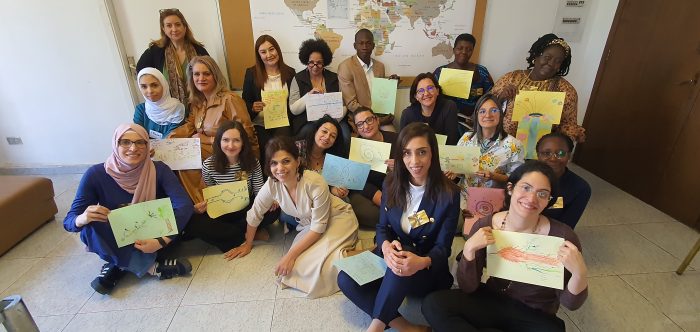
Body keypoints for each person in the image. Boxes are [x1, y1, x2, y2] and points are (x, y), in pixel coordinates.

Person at [422, 161, 589, 332]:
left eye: (542, 193)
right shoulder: (487, 225)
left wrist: (579, 273)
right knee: (434, 305)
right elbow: (468, 287)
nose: (531, 198)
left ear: (549, 200)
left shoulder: (562, 236)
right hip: (492, 300)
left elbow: (571, 303)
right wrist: (469, 250)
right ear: (510, 188)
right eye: (526, 188)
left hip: (535, 313)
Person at [338, 123, 460, 332]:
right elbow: (382, 226)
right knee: (345, 278)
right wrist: (385, 246)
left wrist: (422, 261)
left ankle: (375, 328)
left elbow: (443, 248)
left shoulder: (449, 194)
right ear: (401, 156)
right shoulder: (391, 183)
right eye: (407, 153)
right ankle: (406, 327)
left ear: (433, 153)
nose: (414, 161)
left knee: (404, 254)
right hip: (393, 256)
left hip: (425, 271)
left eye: (422, 152)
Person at [63, 124, 194, 295]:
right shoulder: (95, 174)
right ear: (115, 145)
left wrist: (161, 241)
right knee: (90, 226)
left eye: (140, 142)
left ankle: (117, 266)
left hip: (154, 237)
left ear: (148, 146)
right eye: (125, 142)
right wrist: (82, 218)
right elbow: (69, 221)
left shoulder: (159, 169)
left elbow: (183, 205)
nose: (133, 148)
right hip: (118, 237)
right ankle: (153, 268)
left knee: (181, 216)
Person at [224, 136, 359, 299]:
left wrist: (289, 256)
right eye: (274, 163)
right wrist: (248, 243)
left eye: (286, 161)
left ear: (298, 161)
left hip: (337, 218)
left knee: (316, 266)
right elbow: (255, 213)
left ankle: (363, 255)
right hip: (310, 226)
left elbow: (318, 228)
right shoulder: (272, 184)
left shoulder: (315, 182)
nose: (280, 168)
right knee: (295, 269)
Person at [168, 56, 258, 203]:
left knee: (187, 158)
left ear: (215, 75)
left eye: (206, 74)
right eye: (197, 74)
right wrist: (169, 140)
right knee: (176, 154)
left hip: (232, 153)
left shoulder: (230, 99)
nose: (201, 78)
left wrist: (208, 139)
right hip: (207, 152)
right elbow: (190, 125)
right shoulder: (198, 102)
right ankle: (199, 204)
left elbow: (246, 134)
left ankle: (204, 203)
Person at [183, 121, 280, 255]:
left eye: (236, 141)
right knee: (192, 222)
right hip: (223, 211)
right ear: (219, 142)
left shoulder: (252, 162)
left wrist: (270, 202)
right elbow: (211, 190)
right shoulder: (209, 164)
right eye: (226, 140)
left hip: (247, 208)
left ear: (243, 143)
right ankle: (247, 234)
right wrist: (204, 206)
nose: (230, 145)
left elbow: (258, 191)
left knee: (274, 210)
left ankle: (231, 236)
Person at [491, 33, 585, 143]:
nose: (551, 64)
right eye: (547, 57)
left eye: (558, 61)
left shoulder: (565, 90)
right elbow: (486, 107)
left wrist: (573, 135)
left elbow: (567, 124)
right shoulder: (512, 78)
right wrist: (501, 97)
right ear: (536, 56)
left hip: (539, 150)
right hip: (502, 144)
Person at [457, 93, 524, 229]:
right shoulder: (466, 138)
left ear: (501, 114)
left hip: (493, 199)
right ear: (476, 115)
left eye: (494, 110)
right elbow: (459, 168)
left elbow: (516, 180)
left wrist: (493, 176)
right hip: (465, 195)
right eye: (482, 111)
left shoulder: (514, 145)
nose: (487, 115)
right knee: (462, 231)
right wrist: (454, 171)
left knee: (486, 234)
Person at [136, 8, 209, 105]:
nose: (174, 29)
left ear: (184, 27)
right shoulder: (154, 51)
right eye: (169, 26)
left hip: (199, 105)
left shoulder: (199, 50)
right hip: (168, 109)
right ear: (163, 29)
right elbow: (141, 75)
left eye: (178, 24)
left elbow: (211, 77)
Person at [242, 35, 296, 160]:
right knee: (265, 149)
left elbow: (293, 102)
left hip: (282, 122)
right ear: (259, 55)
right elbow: (245, 102)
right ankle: (266, 179)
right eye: (263, 52)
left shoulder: (290, 73)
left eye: (271, 49)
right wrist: (253, 107)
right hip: (260, 124)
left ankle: (282, 178)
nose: (269, 54)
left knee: (282, 147)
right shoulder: (251, 73)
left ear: (277, 50)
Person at [337, 29, 399, 132]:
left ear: (373, 45)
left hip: (381, 116)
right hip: (360, 119)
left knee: (393, 136)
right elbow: (351, 104)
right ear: (354, 45)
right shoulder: (345, 67)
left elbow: (382, 95)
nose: (364, 47)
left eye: (368, 43)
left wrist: (392, 84)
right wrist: (373, 119)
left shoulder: (380, 66)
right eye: (361, 43)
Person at [288, 38, 349, 140]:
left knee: (345, 136)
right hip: (307, 122)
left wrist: (332, 121)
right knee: (307, 134)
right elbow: (294, 110)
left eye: (319, 63)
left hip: (335, 120)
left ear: (324, 62)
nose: (315, 67)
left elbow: (344, 106)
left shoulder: (334, 78)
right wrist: (308, 97)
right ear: (306, 61)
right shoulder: (298, 78)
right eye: (311, 62)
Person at [348, 107, 397, 228]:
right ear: (357, 129)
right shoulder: (356, 148)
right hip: (373, 192)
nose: (366, 126)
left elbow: (413, 167)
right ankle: (395, 219)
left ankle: (394, 217)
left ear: (377, 120)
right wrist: (378, 197)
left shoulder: (396, 139)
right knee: (361, 210)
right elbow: (358, 181)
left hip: (397, 186)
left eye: (369, 120)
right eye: (360, 124)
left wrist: (400, 167)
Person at [433, 33, 494, 119]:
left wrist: (480, 113)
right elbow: (431, 97)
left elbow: (490, 96)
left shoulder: (481, 72)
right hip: (445, 119)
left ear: (472, 51)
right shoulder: (439, 72)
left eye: (469, 49)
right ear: (454, 50)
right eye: (460, 48)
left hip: (474, 121)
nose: (464, 52)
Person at [537, 132, 591, 229]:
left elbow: (567, 225)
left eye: (560, 153)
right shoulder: (522, 176)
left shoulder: (580, 188)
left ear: (569, 156)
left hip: (550, 232)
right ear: (538, 155)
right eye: (546, 153)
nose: (553, 158)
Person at [294, 115, 348, 199]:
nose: (327, 137)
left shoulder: (334, 158)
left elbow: (330, 187)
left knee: (345, 200)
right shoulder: (298, 148)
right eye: (324, 131)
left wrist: (336, 191)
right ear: (316, 130)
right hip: (298, 197)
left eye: (332, 136)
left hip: (322, 198)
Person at [400, 73, 459, 145]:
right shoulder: (407, 114)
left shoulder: (449, 107)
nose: (426, 93)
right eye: (421, 91)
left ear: (437, 91)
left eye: (430, 88)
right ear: (416, 96)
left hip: (444, 153)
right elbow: (402, 143)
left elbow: (452, 141)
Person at [133, 67, 186, 139]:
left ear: (164, 85)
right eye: (144, 87)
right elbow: (139, 136)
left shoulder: (177, 109)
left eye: (154, 85)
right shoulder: (141, 109)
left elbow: (171, 138)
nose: (150, 91)